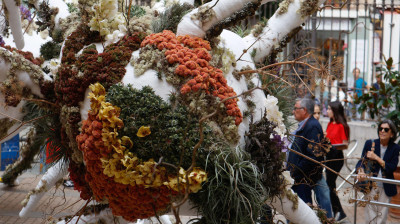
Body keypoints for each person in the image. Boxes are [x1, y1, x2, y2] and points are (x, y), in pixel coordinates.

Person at [356, 120, 400, 224]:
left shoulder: (395, 148)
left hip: (386, 186)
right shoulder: (370, 144)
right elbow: (361, 162)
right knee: (370, 216)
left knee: (382, 217)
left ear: (392, 133)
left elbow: (391, 168)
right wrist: (360, 171)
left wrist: (376, 158)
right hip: (371, 184)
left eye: (386, 129)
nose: (382, 131)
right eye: (380, 128)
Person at [287, 98, 324, 205]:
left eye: (295, 108)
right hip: (298, 179)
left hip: (302, 180)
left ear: (304, 110)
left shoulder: (312, 126)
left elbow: (312, 157)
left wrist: (295, 172)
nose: (293, 111)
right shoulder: (306, 124)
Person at [325, 101, 349, 221]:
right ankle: (338, 211)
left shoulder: (341, 126)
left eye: (329, 109)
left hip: (336, 157)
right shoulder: (330, 124)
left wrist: (333, 146)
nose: (327, 111)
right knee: (330, 185)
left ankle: (338, 210)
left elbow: (345, 145)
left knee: (329, 185)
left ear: (335, 110)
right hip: (328, 157)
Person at [313, 104, 333, 218]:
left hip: (318, 169)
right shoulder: (309, 127)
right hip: (308, 170)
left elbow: (325, 151)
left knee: (325, 195)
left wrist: (324, 141)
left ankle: (327, 219)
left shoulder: (319, 127)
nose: (317, 116)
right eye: (314, 113)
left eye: (318, 113)